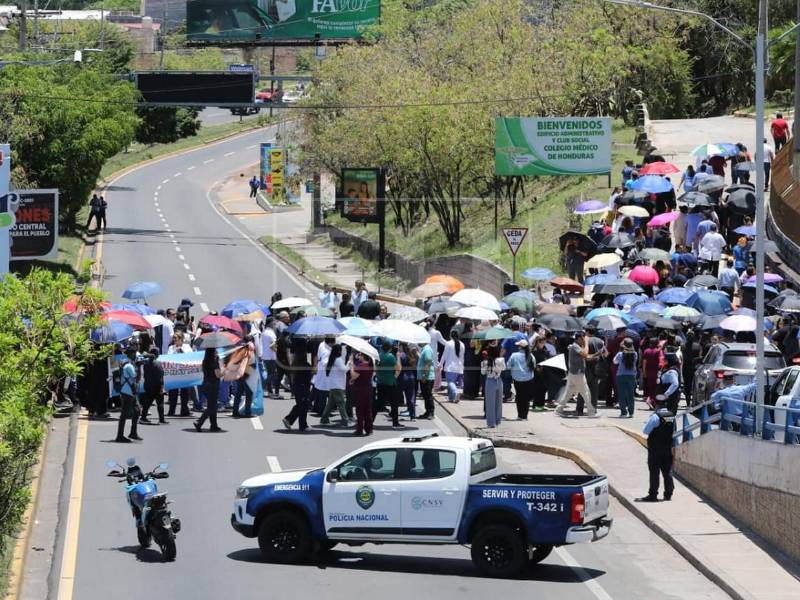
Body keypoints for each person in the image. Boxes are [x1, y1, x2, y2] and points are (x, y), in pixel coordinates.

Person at [637, 395, 676, 502]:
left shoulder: (655, 417)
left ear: (656, 404)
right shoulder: (671, 415)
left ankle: (653, 495)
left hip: (655, 449)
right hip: (667, 448)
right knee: (667, 471)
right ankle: (668, 494)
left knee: (654, 472)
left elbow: (646, 431)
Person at [557, 331, 598, 417]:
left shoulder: (576, 346)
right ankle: (591, 412)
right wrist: (586, 343)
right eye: (583, 338)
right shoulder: (575, 346)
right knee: (586, 393)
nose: (585, 340)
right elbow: (586, 354)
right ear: (579, 338)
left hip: (574, 374)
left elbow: (587, 357)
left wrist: (599, 353)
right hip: (577, 374)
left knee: (569, 392)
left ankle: (559, 409)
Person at [282, 345, 313, 432]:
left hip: (297, 387)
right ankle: (302, 426)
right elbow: (308, 377)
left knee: (300, 405)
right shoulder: (305, 365)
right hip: (303, 388)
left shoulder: (295, 363)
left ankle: (289, 419)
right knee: (303, 406)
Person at [116, 348, 142, 442]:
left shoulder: (127, 364)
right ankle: (120, 436)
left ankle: (133, 433)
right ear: (131, 354)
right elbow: (137, 378)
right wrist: (139, 367)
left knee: (137, 410)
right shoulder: (129, 366)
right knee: (124, 415)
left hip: (130, 392)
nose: (136, 356)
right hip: (128, 393)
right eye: (135, 353)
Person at [319, 344, 349, 426]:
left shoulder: (332, 359)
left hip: (333, 384)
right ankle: (345, 420)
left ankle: (324, 419)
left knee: (330, 404)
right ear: (339, 351)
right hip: (338, 385)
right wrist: (350, 363)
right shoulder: (338, 360)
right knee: (341, 403)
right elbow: (344, 369)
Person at [194, 348, 223, 432]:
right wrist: (225, 371)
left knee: (213, 406)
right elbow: (218, 375)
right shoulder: (214, 362)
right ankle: (199, 422)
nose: (217, 352)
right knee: (211, 407)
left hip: (205, 385)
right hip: (213, 386)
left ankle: (214, 425)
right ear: (212, 352)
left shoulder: (205, 361)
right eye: (215, 351)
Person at [375, 341, 402, 429]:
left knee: (379, 402)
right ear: (390, 348)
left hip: (380, 382)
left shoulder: (378, 356)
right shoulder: (391, 357)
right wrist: (398, 357)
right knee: (394, 403)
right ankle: (395, 423)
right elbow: (398, 368)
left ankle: (370, 420)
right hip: (390, 382)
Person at [507, 339, 534, 420]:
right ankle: (525, 416)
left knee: (519, 396)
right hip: (529, 379)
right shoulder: (531, 356)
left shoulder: (514, 355)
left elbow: (508, 366)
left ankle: (520, 415)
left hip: (517, 379)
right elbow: (534, 366)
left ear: (519, 347)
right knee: (526, 398)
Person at [350, 352, 374, 435]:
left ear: (363, 356)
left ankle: (359, 429)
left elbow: (353, 375)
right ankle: (369, 429)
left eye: (360, 354)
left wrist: (351, 366)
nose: (359, 356)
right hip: (368, 388)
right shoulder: (370, 365)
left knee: (360, 410)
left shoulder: (361, 366)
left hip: (360, 389)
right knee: (367, 410)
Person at [140, 349, 166, 424]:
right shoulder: (158, 363)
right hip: (157, 386)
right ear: (157, 355)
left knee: (147, 403)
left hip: (148, 385)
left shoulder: (145, 363)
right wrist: (161, 386)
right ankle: (162, 419)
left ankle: (143, 417)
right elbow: (160, 376)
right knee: (160, 403)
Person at [482, 344, 505, 428]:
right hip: (499, 380)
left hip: (489, 380)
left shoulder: (485, 362)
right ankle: (498, 420)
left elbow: (483, 372)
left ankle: (491, 423)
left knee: (490, 403)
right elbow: (503, 368)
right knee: (499, 402)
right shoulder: (501, 360)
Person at [613, 339, 638, 418]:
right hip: (631, 376)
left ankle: (623, 412)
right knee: (631, 394)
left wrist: (620, 349)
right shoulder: (635, 354)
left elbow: (615, 362)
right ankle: (631, 412)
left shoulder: (620, 354)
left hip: (621, 375)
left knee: (622, 394)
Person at [442, 330, 465, 403]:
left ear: (451, 335)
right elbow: (462, 357)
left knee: (450, 382)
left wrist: (440, 364)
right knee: (453, 382)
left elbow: (444, 355)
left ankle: (455, 392)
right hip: (459, 367)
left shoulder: (448, 343)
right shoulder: (462, 344)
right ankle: (451, 398)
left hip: (450, 366)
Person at [398, 343, 418, 421]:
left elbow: (398, 367)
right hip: (411, 377)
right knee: (411, 398)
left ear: (401, 346)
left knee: (396, 397)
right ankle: (413, 416)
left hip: (402, 378)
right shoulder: (411, 355)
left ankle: (393, 414)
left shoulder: (401, 355)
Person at [417, 340, 435, 419]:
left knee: (428, 395)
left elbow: (428, 362)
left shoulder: (427, 349)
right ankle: (427, 412)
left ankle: (431, 412)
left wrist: (424, 375)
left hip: (427, 377)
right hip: (424, 377)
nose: (418, 342)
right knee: (425, 395)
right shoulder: (424, 349)